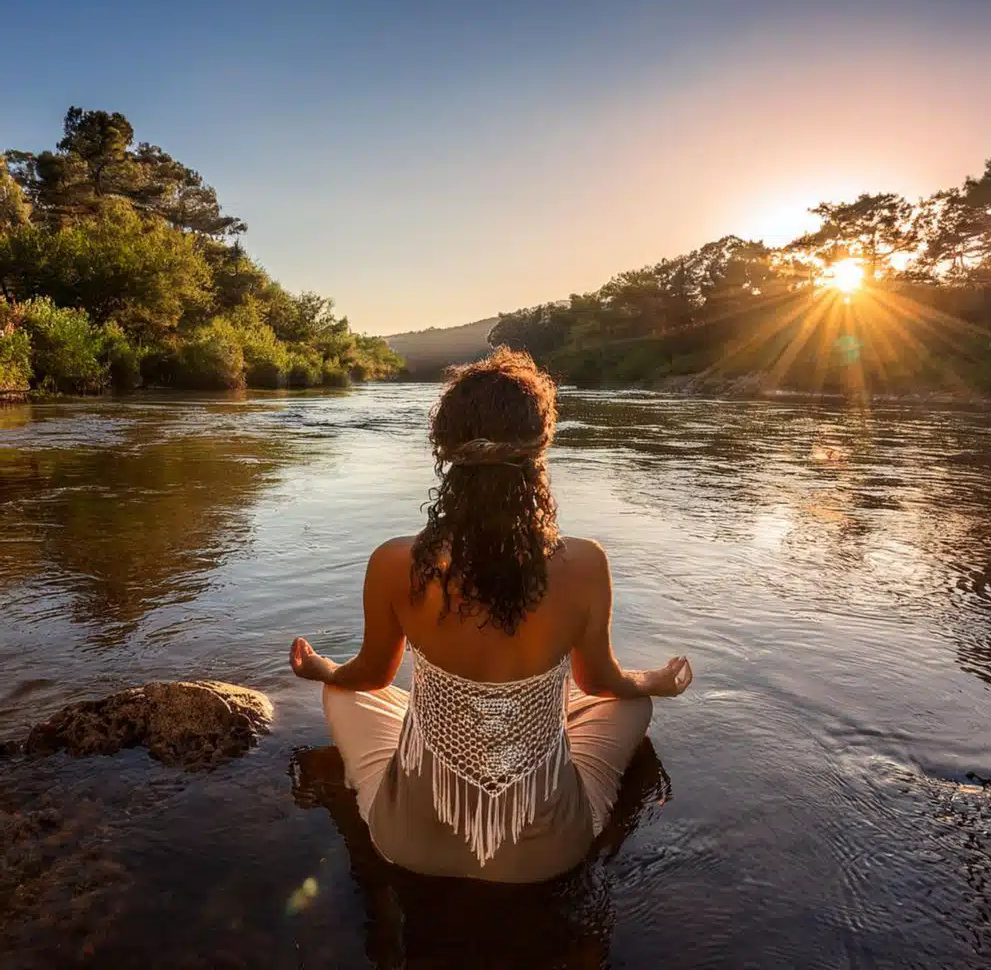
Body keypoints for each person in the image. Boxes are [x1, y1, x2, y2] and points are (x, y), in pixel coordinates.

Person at [289, 348, 692, 883]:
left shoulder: (395, 562)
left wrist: (322, 670)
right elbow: (600, 681)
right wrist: (656, 681)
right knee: (630, 703)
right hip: (549, 856)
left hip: (405, 841)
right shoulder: (587, 562)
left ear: (445, 449)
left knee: (343, 691)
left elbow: (370, 678)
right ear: (541, 448)